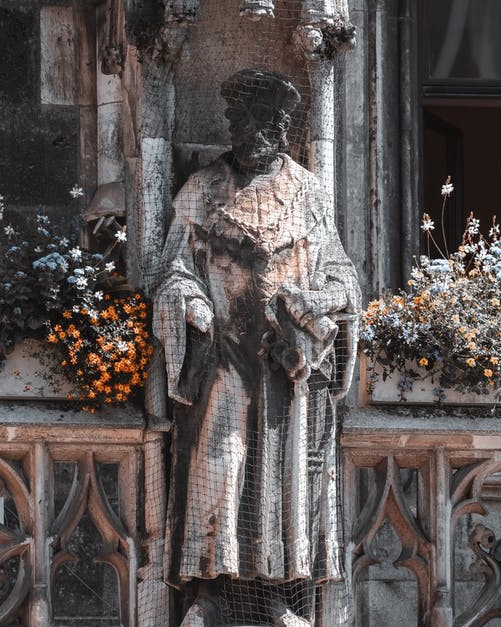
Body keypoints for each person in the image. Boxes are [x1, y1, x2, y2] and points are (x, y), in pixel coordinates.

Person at [153, 68, 360, 626]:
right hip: (222, 359)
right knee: (219, 468)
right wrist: (189, 304)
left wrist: (319, 302)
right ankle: (212, 591)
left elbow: (341, 273)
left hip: (285, 366)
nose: (247, 128)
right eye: (239, 118)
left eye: (260, 118)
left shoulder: (308, 191)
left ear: (281, 124)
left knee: (280, 482)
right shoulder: (203, 189)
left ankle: (273, 594)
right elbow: (175, 268)